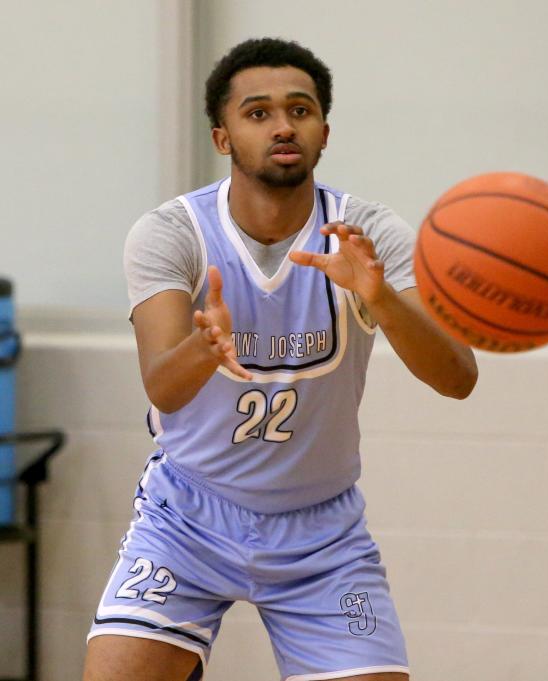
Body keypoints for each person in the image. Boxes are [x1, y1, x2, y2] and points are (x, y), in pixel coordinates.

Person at [82, 37, 478, 681]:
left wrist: (382, 299)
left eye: (301, 109)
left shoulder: (368, 233)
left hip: (322, 534)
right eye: (258, 112)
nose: (283, 125)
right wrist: (204, 348)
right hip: (188, 517)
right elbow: (162, 385)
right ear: (222, 136)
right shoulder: (171, 233)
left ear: (324, 132)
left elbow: (458, 377)